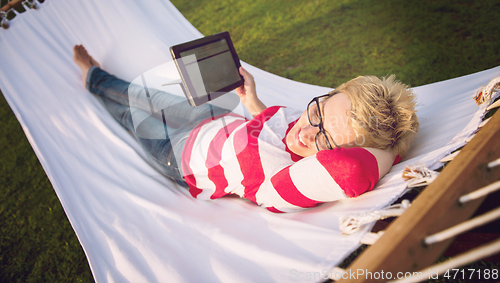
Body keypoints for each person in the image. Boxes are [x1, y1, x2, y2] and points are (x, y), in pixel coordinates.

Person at [73, 44, 419, 213]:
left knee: (132, 117)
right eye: (318, 111)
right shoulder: (306, 120)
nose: (307, 131)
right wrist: (251, 98)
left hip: (180, 156)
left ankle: (92, 82)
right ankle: (99, 77)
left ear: (343, 150)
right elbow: (270, 121)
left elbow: (353, 170)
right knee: (144, 96)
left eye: (326, 139)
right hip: (211, 120)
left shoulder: (280, 180)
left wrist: (392, 146)